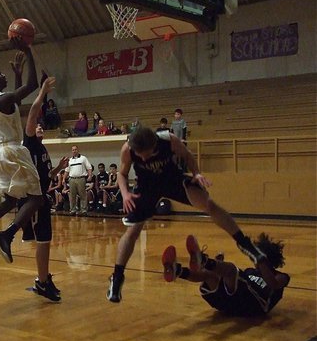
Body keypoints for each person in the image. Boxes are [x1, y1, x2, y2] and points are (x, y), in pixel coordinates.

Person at [106, 127, 268, 303]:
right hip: (147, 186)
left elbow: (188, 156)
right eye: (140, 155)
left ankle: (245, 244)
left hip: (172, 180)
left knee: (209, 205)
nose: (143, 158)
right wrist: (125, 194)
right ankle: (117, 276)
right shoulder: (128, 148)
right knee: (133, 230)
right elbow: (122, 174)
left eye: (146, 154)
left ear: (154, 144)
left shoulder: (169, 140)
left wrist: (197, 173)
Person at [0, 40, 44, 264]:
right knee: (36, 199)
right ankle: (7, 235)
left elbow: (14, 100)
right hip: (13, 151)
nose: (2, 74)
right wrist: (28, 49)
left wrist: (17, 75)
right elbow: (31, 86)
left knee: (12, 199)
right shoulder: (1, 99)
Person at [18, 75, 68, 301]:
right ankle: (42, 282)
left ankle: (44, 278)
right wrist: (42, 93)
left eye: (41, 126)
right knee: (42, 240)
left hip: (43, 197)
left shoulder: (42, 149)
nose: (38, 127)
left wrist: (58, 168)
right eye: (36, 125)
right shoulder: (29, 143)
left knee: (45, 240)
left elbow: (47, 176)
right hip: (34, 199)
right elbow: (32, 113)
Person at [162, 233, 290, 316]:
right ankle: (177, 271)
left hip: (255, 307)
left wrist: (260, 259)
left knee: (232, 270)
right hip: (229, 306)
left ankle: (204, 261)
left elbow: (273, 284)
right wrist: (219, 264)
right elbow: (233, 284)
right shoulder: (250, 271)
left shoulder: (281, 276)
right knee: (210, 274)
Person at [63, 145, 92, 216]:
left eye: (75, 149)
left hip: (81, 179)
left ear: (78, 150)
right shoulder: (70, 160)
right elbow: (67, 170)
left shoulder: (83, 158)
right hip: (72, 179)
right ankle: (73, 210)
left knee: (83, 195)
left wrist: (90, 175)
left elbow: (89, 167)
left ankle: (83, 210)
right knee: (72, 196)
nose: (74, 151)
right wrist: (63, 178)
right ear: (71, 151)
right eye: (73, 150)